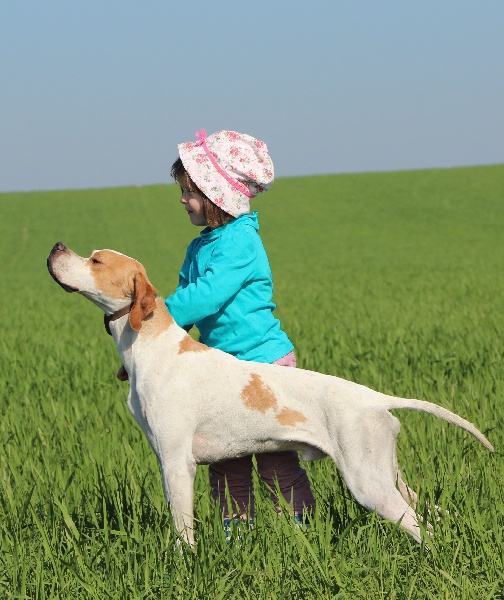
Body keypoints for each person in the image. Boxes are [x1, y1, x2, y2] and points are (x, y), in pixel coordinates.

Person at [140, 129, 315, 523]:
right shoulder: (200, 246)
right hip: (221, 371)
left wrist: (152, 314)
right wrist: (152, 347)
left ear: (217, 194)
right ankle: (237, 542)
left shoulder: (240, 242)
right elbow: (185, 312)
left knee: (275, 463)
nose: (183, 200)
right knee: (225, 466)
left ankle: (304, 535)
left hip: (263, 366)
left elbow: (205, 297)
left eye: (190, 191)